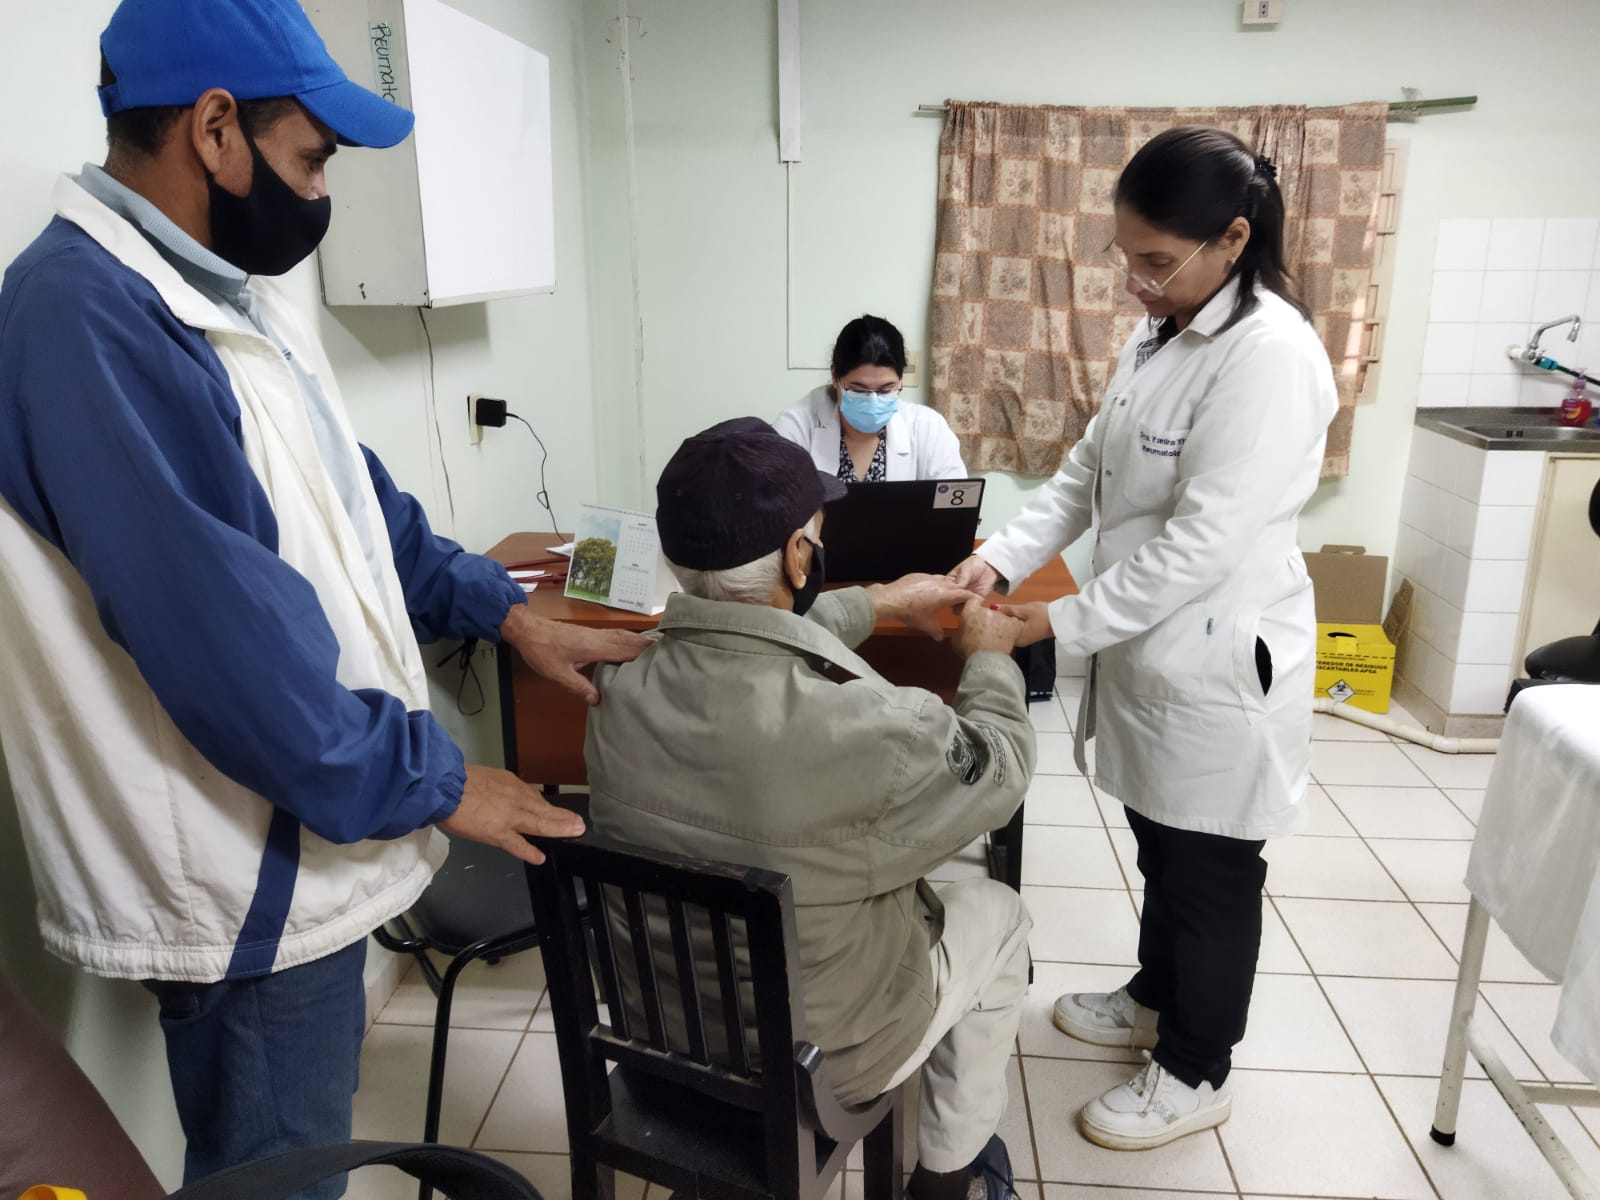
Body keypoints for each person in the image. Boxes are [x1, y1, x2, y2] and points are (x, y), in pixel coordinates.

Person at [0, 0, 645, 1193]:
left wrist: (498, 607)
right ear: (213, 130)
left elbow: (354, 505)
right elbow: (226, 650)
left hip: (297, 835)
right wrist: (445, 779)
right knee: (277, 1172)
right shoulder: (87, 318)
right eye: (310, 159)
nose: (318, 194)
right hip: (243, 875)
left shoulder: (224, 294)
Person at [949, 127, 1339, 1151]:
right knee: (1160, 841)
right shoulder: (1161, 331)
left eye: (1157, 262)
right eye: (1126, 255)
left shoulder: (1268, 357)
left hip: (1217, 652)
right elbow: (1085, 475)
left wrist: (1050, 618)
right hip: (1153, 648)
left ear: (1233, 239)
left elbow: (1201, 544)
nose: (1135, 281)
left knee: (1209, 867)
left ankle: (1196, 1065)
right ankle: (1153, 997)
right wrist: (1000, 556)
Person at [585, 418, 1033, 1200]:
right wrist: (990, 662)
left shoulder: (615, 692)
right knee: (997, 912)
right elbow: (1001, 770)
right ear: (800, 554)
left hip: (657, 1028)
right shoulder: (872, 729)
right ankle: (947, 1174)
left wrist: (881, 600)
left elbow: (741, 634)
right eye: (814, 535)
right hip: (822, 1057)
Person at [775, 314, 967, 482]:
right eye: (859, 390)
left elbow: (955, 509)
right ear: (835, 376)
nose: (873, 401)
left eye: (886, 389)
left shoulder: (928, 427)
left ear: (900, 379)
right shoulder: (797, 425)